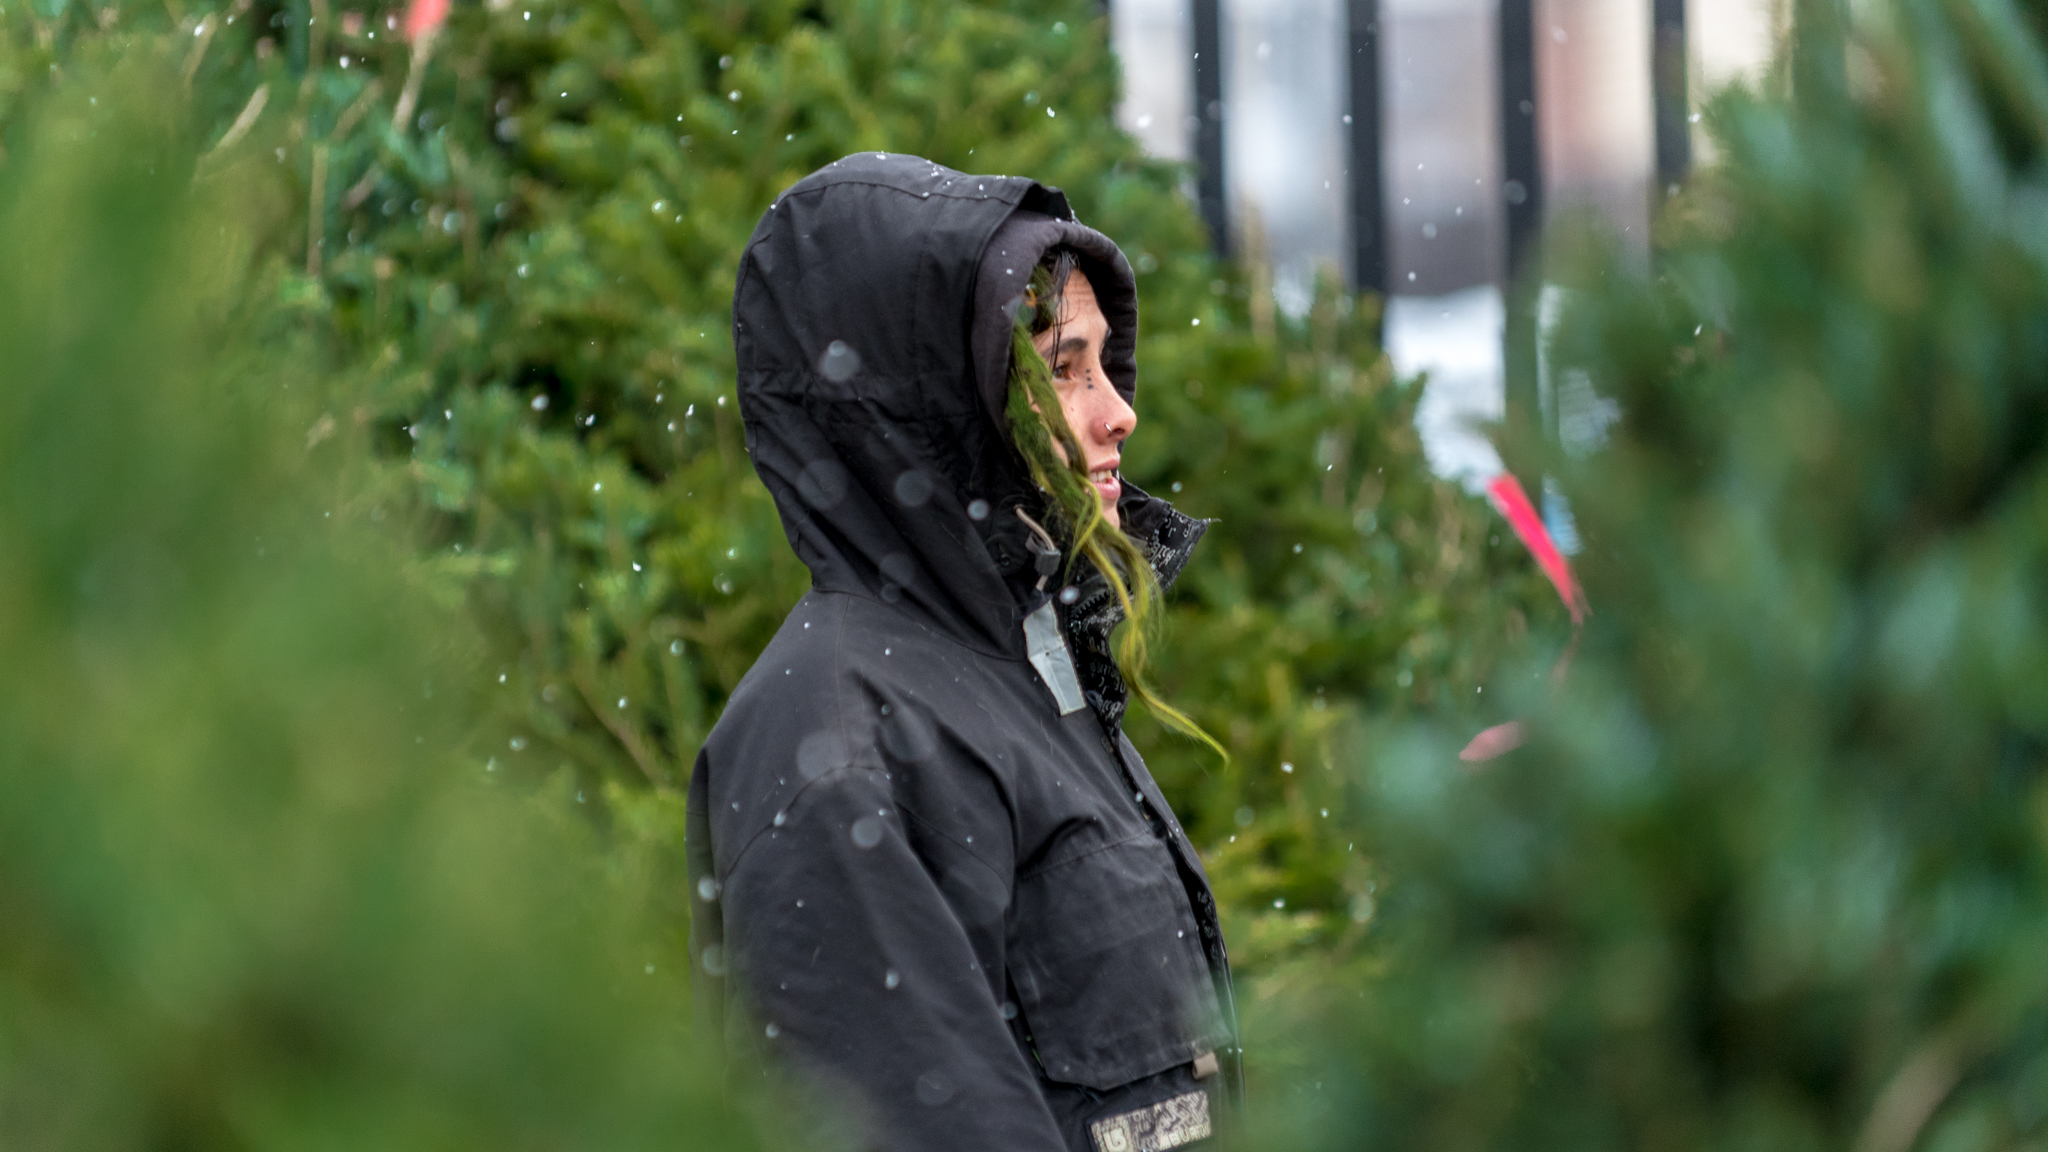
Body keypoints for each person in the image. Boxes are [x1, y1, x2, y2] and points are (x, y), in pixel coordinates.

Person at [687, 152, 1241, 1152]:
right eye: (1060, 368)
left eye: (1103, 361)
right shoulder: (836, 741)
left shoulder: (1022, 665)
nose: (1118, 410)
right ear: (942, 407)